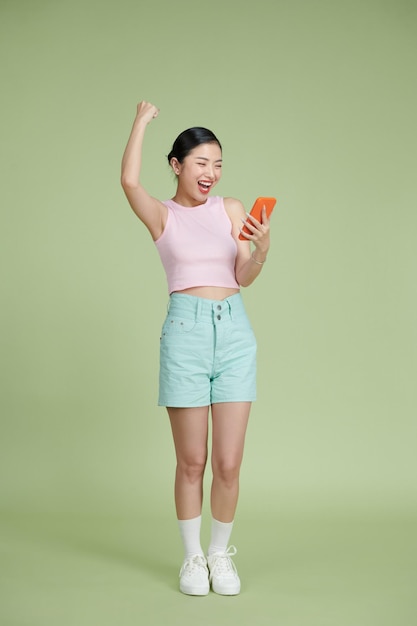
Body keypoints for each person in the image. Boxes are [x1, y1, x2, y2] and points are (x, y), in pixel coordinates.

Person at [121, 101, 271, 596]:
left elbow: (242, 275)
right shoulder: (161, 215)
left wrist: (263, 247)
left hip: (233, 334)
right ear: (177, 165)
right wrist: (141, 121)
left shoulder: (230, 208)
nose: (211, 173)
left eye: (218, 164)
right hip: (185, 334)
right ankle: (191, 559)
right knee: (192, 462)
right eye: (202, 163)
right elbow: (128, 182)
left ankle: (219, 555)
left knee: (229, 462)